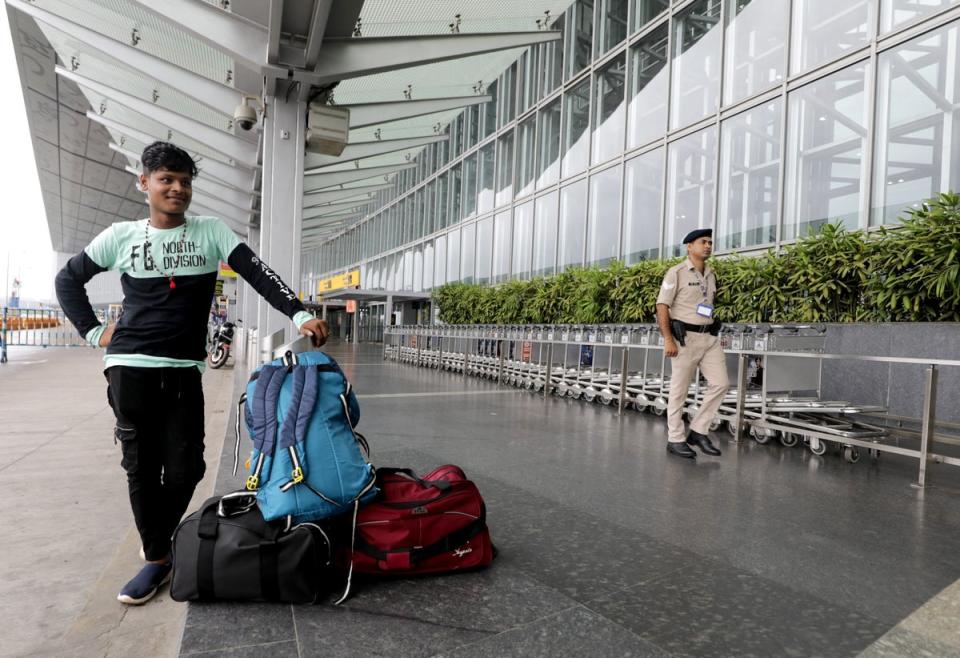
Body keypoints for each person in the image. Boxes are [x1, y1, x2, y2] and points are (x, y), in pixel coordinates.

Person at [55, 141, 329, 604]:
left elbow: (258, 273)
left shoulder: (210, 232)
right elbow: (67, 280)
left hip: (184, 369)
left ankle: (157, 541)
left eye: (184, 181)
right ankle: (157, 560)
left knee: (187, 469)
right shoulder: (120, 236)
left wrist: (299, 314)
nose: (177, 189)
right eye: (166, 179)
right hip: (130, 367)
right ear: (145, 183)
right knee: (141, 468)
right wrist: (93, 331)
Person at [655, 228, 728, 459]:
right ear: (690, 246)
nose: (708, 245)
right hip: (684, 339)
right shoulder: (675, 273)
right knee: (679, 391)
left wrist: (712, 319)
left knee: (721, 383)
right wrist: (668, 339)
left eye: (710, 242)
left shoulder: (711, 274)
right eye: (703, 242)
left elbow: (704, 304)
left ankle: (698, 430)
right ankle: (675, 439)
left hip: (708, 339)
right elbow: (662, 306)